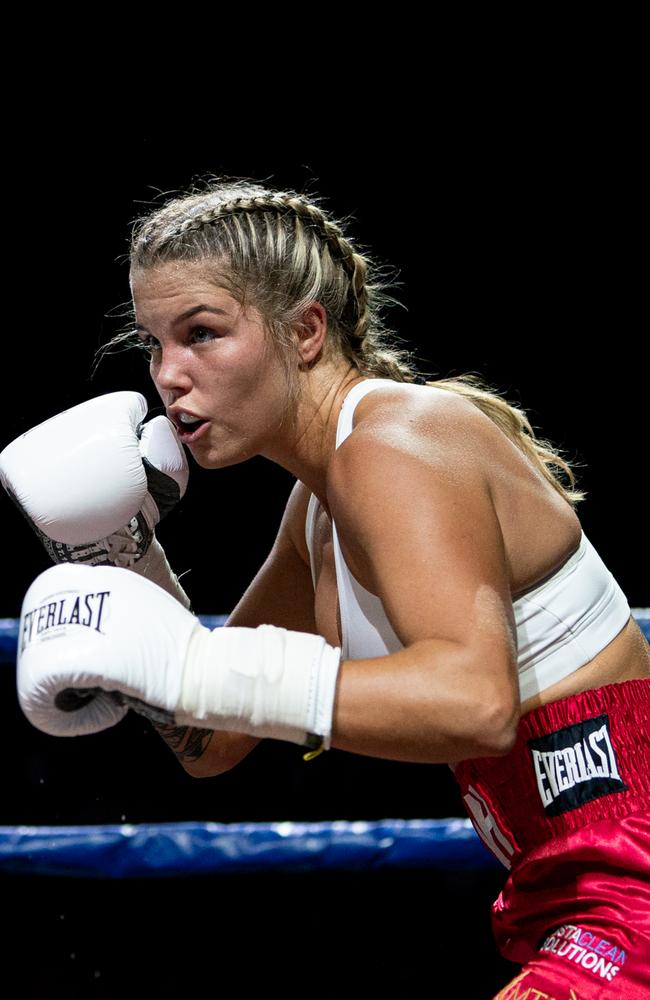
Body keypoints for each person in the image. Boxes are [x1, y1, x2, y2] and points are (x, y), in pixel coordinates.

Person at [3, 178, 649, 998]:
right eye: (155, 343)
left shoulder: (397, 444)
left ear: (304, 331)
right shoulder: (318, 506)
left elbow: (474, 704)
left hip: (631, 881)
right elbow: (211, 743)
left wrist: (199, 667)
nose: (169, 374)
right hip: (571, 893)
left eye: (202, 333)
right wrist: (121, 558)